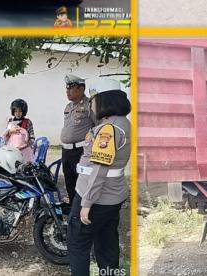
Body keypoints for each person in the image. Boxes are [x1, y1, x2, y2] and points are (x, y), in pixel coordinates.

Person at [68, 78, 131, 276]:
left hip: (96, 197)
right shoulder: (123, 123)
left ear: (105, 101)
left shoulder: (108, 129)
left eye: (93, 100)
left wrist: (87, 203)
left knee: (78, 243)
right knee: (106, 242)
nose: (91, 104)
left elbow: (99, 169)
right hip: (113, 196)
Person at [61, 74, 95, 204]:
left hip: (80, 151)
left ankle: (83, 209)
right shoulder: (68, 106)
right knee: (69, 182)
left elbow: (98, 126)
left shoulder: (89, 105)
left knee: (82, 182)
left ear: (81, 89)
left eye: (71, 88)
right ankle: (72, 207)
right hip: (66, 151)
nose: (68, 91)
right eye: (67, 88)